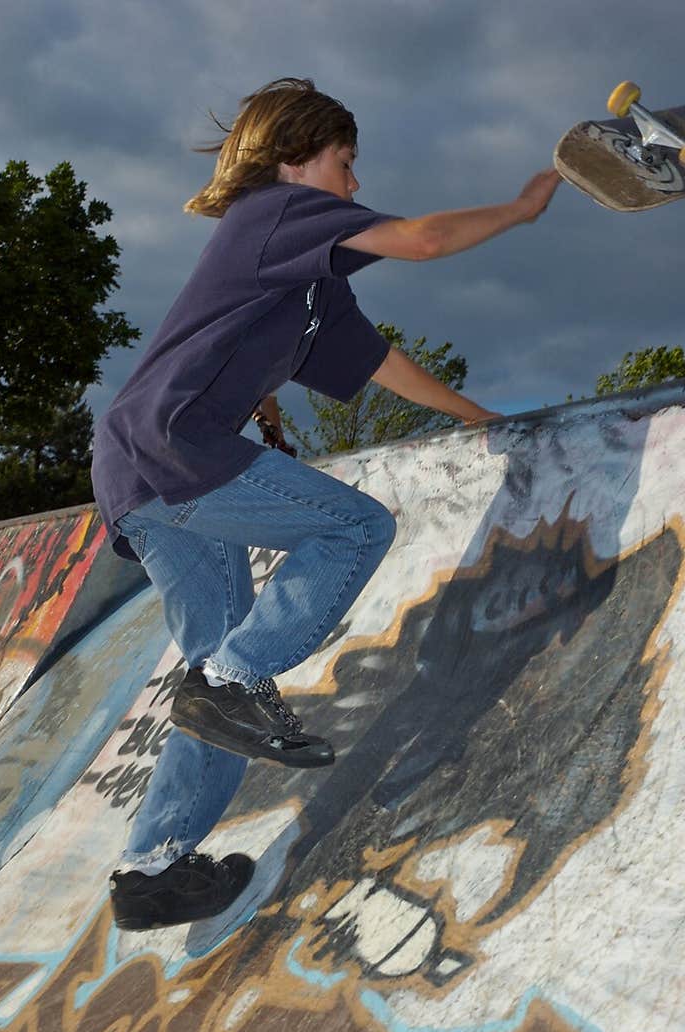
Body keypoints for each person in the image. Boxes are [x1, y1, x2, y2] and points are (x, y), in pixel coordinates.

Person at [92, 77, 560, 932]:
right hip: (175, 448)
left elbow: (385, 366)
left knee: (216, 666)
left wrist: (485, 419)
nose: (352, 185)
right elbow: (421, 240)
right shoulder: (270, 213)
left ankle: (152, 867)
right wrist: (522, 209)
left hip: (142, 474)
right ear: (293, 155)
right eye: (345, 164)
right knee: (355, 526)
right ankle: (233, 683)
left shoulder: (313, 291)